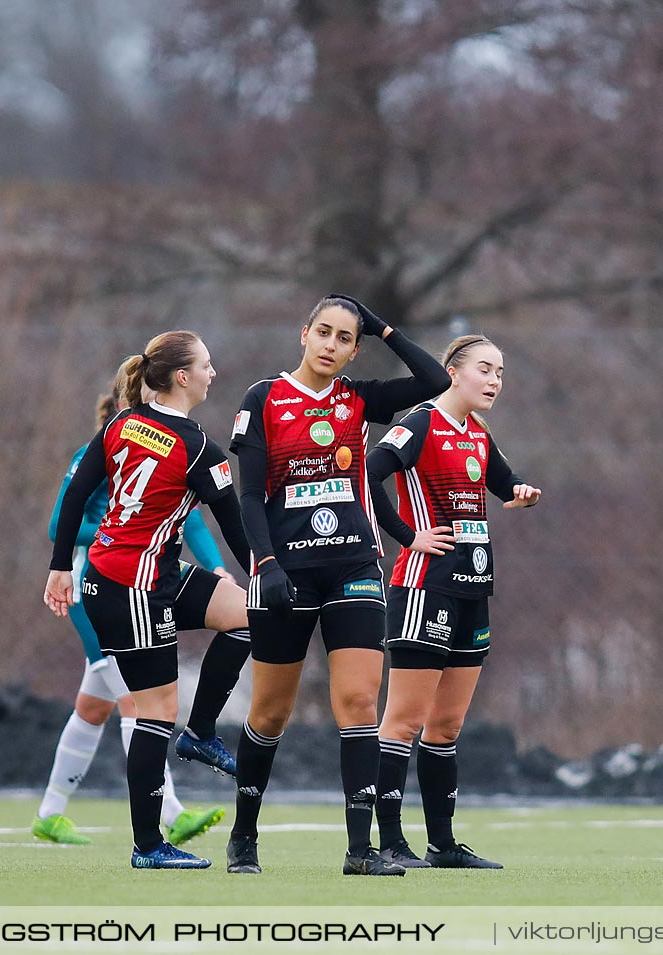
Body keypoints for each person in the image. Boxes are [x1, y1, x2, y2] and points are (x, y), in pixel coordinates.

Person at [223, 294, 451, 876]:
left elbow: (432, 377)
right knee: (271, 713)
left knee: (356, 704)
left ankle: (359, 851)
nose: (331, 345)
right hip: (284, 573)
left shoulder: (359, 399)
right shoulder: (263, 398)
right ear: (304, 334)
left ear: (354, 349)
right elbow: (248, 498)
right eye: (323, 332)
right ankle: (243, 834)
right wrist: (265, 564)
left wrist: (383, 326)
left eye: (345, 338)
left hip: (354, 568)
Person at [43, 331, 255, 870]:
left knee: (247, 614)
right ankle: (147, 846)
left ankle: (202, 733)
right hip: (130, 586)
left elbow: (72, 496)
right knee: (153, 712)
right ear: (182, 377)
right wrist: (268, 565)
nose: (213, 372)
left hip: (144, 575)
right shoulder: (196, 445)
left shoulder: (121, 423)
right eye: (207, 364)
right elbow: (234, 524)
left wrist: (60, 566)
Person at [364, 335, 542, 871]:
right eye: (484, 369)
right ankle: (391, 843)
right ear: (452, 372)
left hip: (473, 590)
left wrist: (522, 493)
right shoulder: (420, 422)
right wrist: (405, 534)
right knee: (403, 722)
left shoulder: (478, 433)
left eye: (501, 372)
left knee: (446, 726)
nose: (494, 381)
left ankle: (442, 846)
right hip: (425, 586)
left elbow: (506, 484)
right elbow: (368, 474)